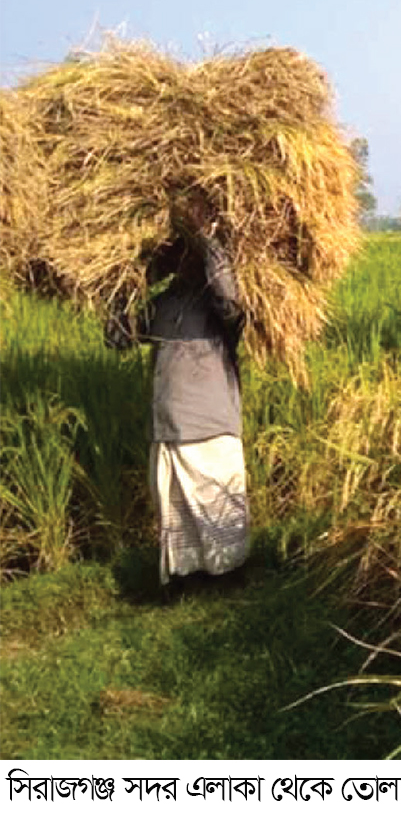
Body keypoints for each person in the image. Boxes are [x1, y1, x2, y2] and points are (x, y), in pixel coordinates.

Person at [105, 196, 249, 588]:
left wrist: (202, 236)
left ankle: (228, 579)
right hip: (168, 423)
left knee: (218, 509)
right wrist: (123, 282)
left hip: (209, 423)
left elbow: (229, 295)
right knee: (177, 514)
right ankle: (187, 580)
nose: (183, 263)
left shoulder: (226, 308)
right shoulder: (164, 303)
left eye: (188, 255)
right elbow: (117, 337)